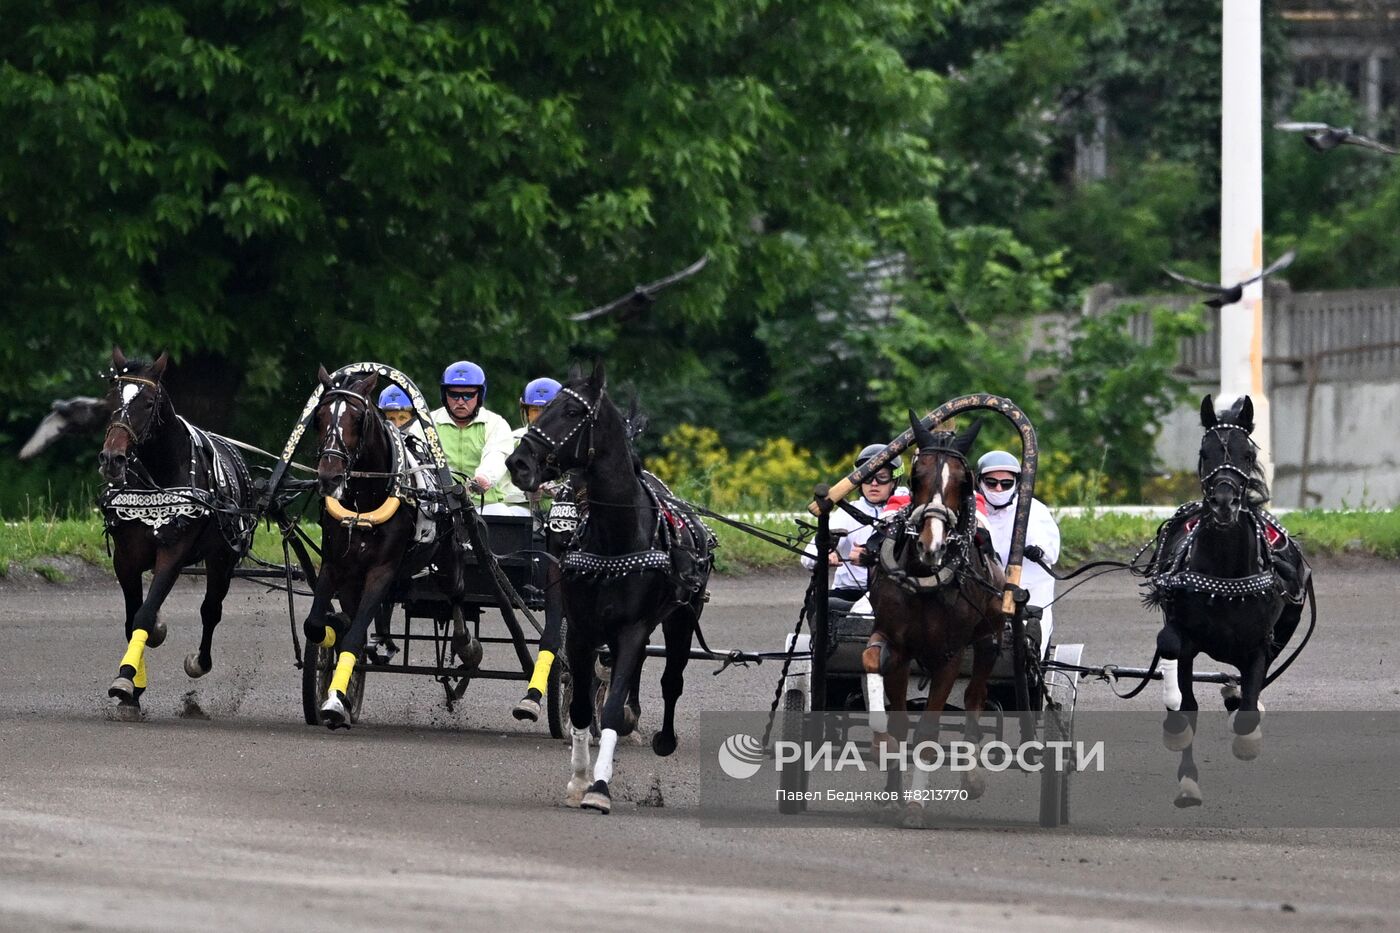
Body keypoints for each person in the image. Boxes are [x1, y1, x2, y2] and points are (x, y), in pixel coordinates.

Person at [975, 449, 1061, 659]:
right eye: (991, 482)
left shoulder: (1033, 509)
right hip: (982, 590)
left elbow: (1052, 551)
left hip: (1028, 589)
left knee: (1029, 637)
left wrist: (1038, 549)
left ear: (1016, 483)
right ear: (979, 481)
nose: (998, 488)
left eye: (1005, 484)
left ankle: (1032, 658)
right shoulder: (972, 511)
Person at [800, 444, 903, 613]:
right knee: (817, 601)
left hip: (893, 594)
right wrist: (824, 554)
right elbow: (806, 559)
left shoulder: (906, 511)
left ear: (895, 480)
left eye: (882, 477)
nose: (874, 484)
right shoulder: (845, 513)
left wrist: (872, 558)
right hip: (850, 593)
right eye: (868, 477)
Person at [430, 361, 515, 512]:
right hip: (438, 504)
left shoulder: (495, 423)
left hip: (486, 504)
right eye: (454, 395)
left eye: (468, 395)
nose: (461, 402)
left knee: (500, 512)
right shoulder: (427, 424)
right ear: (444, 395)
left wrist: (484, 478)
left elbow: (496, 455)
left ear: (480, 395)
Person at [497, 377, 562, 515]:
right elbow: (499, 489)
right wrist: (526, 492)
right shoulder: (512, 440)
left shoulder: (572, 442)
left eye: (546, 410)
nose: (540, 417)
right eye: (534, 410)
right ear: (525, 412)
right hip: (523, 510)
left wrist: (557, 492)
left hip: (563, 511)